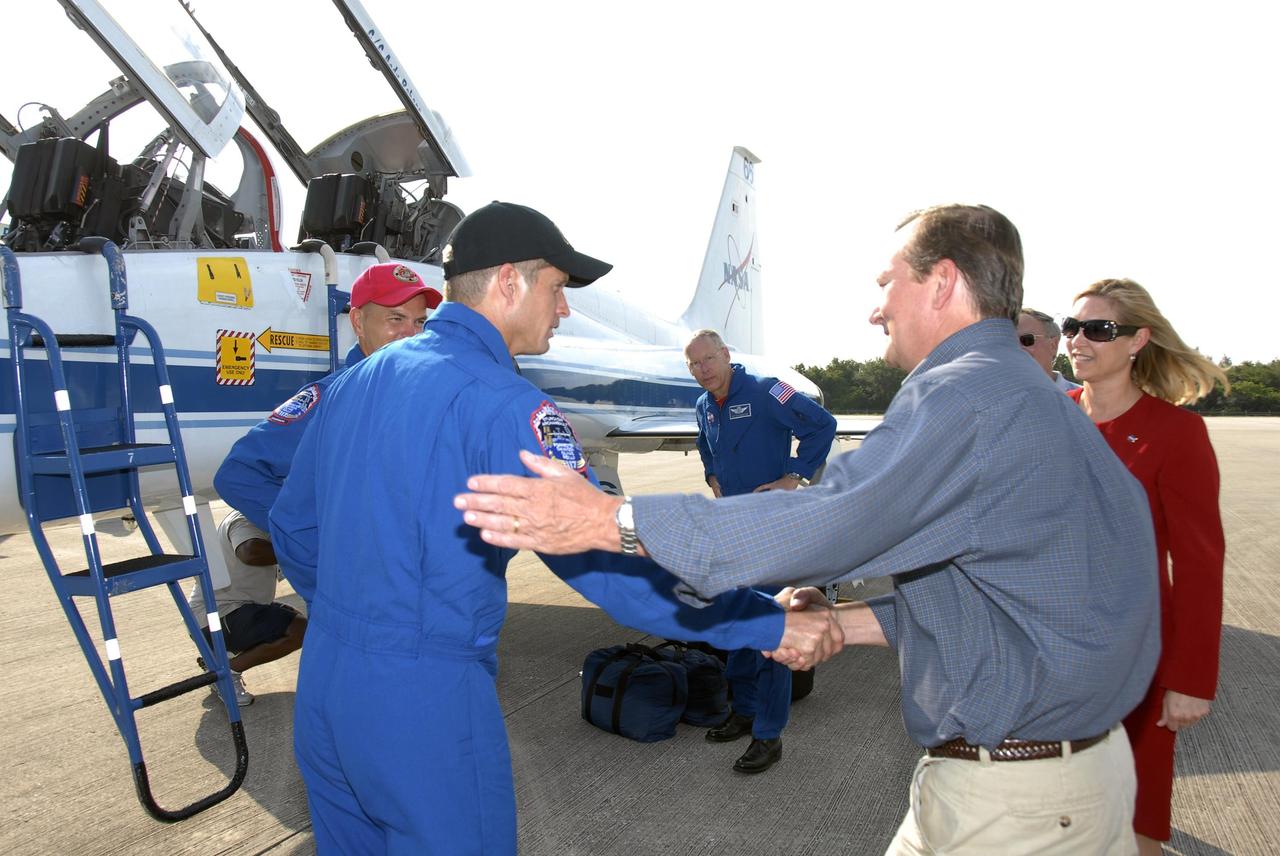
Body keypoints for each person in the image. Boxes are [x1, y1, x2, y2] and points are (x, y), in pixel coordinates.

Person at [457, 203, 1163, 855]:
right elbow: (1003, 601)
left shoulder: (968, 394)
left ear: (943, 283)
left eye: (889, 282)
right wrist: (841, 623)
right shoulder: (1031, 397)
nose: (875, 308)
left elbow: (832, 518)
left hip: (1019, 803)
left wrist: (614, 519)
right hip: (1049, 782)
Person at [268, 201, 839, 854]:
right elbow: (613, 570)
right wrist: (767, 622)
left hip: (326, 690)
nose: (564, 310)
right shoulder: (505, 405)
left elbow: (292, 524)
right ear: (509, 280)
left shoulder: (352, 383)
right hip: (422, 705)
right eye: (558, 288)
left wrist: (358, 622)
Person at [1064, 278, 1228, 856]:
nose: (1078, 341)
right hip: (1046, 655)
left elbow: (1200, 565)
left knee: (1134, 821)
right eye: (1072, 327)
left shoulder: (1177, 433)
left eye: (1098, 330)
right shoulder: (1050, 417)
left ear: (1139, 340)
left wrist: (1189, 679)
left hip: (1135, 658)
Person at [685, 328, 836, 774]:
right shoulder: (702, 406)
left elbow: (821, 426)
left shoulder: (771, 390)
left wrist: (795, 475)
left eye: (709, 359)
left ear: (726, 355)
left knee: (771, 633)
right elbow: (704, 444)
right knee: (738, 628)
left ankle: (768, 735)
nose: (703, 370)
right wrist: (711, 474)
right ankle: (745, 710)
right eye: (694, 365)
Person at [213, 262, 442, 532]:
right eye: (396, 319)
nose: (411, 334)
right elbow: (238, 473)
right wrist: (313, 541)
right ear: (358, 322)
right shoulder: (331, 399)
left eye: (419, 322)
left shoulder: (424, 397)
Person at [189, 509, 306, 705]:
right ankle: (225, 675)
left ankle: (217, 660)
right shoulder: (245, 518)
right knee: (300, 629)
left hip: (230, 611)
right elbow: (249, 552)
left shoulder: (269, 524)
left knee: (292, 617)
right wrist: (300, 553)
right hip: (217, 616)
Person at [1017, 308, 1079, 391]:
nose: (1016, 348)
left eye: (1026, 340)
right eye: (1009, 341)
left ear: (1053, 345)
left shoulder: (1085, 401)